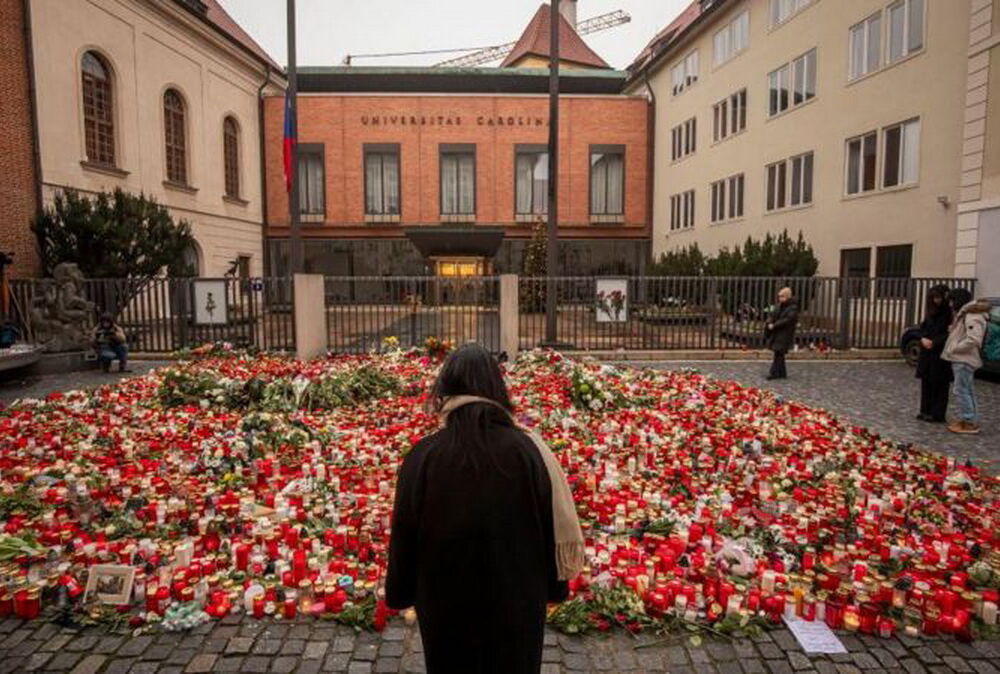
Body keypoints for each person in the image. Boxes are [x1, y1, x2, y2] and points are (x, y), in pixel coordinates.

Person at [386, 343, 582, 674]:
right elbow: (549, 524)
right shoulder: (528, 452)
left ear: (444, 390)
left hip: (446, 607)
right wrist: (554, 586)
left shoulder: (425, 456)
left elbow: (405, 533)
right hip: (516, 604)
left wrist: (400, 592)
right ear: (496, 389)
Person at [942, 288, 991, 434]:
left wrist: (955, 348)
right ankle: (968, 418)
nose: (950, 304)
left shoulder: (972, 316)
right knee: (966, 389)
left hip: (964, 359)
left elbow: (974, 339)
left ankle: (969, 421)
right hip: (963, 358)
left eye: (952, 300)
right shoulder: (967, 314)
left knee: (962, 390)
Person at [915, 285, 953, 423]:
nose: (936, 300)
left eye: (938, 297)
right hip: (927, 353)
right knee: (927, 382)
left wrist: (935, 342)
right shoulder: (930, 312)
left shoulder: (949, 313)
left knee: (940, 384)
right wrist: (923, 339)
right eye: (933, 297)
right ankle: (925, 410)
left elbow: (949, 333)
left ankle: (937, 413)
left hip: (940, 354)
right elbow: (923, 327)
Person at [764, 286, 799, 380]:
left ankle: (774, 373)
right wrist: (769, 321)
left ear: (787, 297)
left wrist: (774, 325)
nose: (780, 298)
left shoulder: (793, 308)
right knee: (779, 353)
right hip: (778, 333)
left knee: (779, 352)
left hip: (785, 333)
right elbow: (773, 314)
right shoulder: (779, 306)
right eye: (779, 296)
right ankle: (782, 373)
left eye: (782, 296)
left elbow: (787, 320)